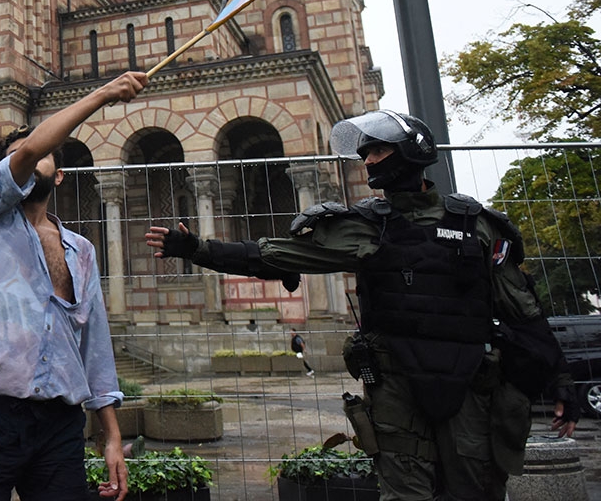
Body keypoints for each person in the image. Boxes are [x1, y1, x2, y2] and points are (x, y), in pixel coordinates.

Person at [145, 109, 580, 501]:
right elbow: (275, 254)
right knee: (405, 490)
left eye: (378, 151)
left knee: (475, 488)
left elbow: (524, 309)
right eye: (365, 154)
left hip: (471, 386)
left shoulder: (477, 226)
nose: (368, 161)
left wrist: (561, 380)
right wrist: (198, 248)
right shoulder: (365, 228)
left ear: (411, 152)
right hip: (397, 387)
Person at [0, 71, 148, 501]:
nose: (31, 160)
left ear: (61, 174)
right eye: (17, 159)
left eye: (43, 156)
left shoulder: (82, 250)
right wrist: (105, 93)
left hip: (58, 424)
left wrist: (110, 436)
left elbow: (95, 346)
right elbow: (32, 147)